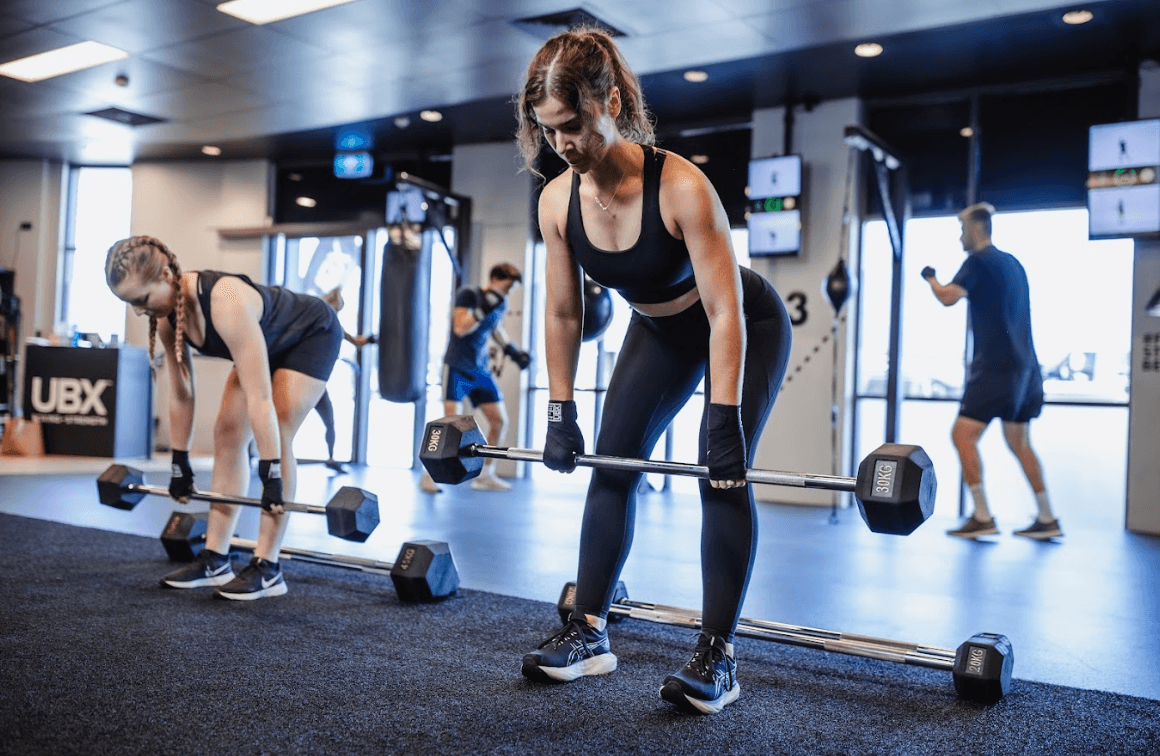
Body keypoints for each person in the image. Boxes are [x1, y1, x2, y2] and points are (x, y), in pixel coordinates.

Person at [513, 27, 792, 714]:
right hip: (659, 329)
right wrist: (559, 409)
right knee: (614, 464)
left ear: (611, 100)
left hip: (742, 323)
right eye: (551, 134)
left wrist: (722, 421)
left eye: (574, 126)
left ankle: (718, 656)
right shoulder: (557, 202)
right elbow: (563, 315)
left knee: (719, 470)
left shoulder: (682, 186)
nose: (565, 146)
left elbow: (726, 314)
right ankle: (588, 630)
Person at [105, 235, 344, 599]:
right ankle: (215, 557)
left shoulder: (225, 300)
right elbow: (182, 393)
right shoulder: (169, 318)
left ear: (167, 274)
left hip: (312, 334)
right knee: (226, 432)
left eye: (141, 300)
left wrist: (271, 472)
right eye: (130, 304)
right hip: (267, 340)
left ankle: (268, 566)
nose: (139, 311)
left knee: (278, 431)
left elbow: (260, 397)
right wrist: (179, 461)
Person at [921, 202, 1062, 541]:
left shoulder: (978, 261)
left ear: (976, 228)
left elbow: (947, 298)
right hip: (1026, 370)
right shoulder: (1013, 263)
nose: (959, 238)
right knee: (1020, 443)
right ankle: (1047, 517)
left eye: (962, 230)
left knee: (962, 435)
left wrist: (930, 277)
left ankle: (982, 516)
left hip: (995, 369)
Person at [419, 262, 531, 493]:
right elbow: (460, 328)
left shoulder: (501, 303)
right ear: (495, 279)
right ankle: (429, 476)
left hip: (480, 370)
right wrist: (481, 310)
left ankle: (486, 475)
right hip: (458, 367)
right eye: (508, 286)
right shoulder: (469, 294)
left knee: (499, 421)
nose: (509, 292)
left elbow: (496, 329)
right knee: (450, 428)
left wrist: (512, 351)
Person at [314, 287, 373, 474]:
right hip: (306, 381)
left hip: (317, 384)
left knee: (329, 422)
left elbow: (356, 341)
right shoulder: (315, 319)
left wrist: (375, 339)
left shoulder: (335, 326)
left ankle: (331, 457)